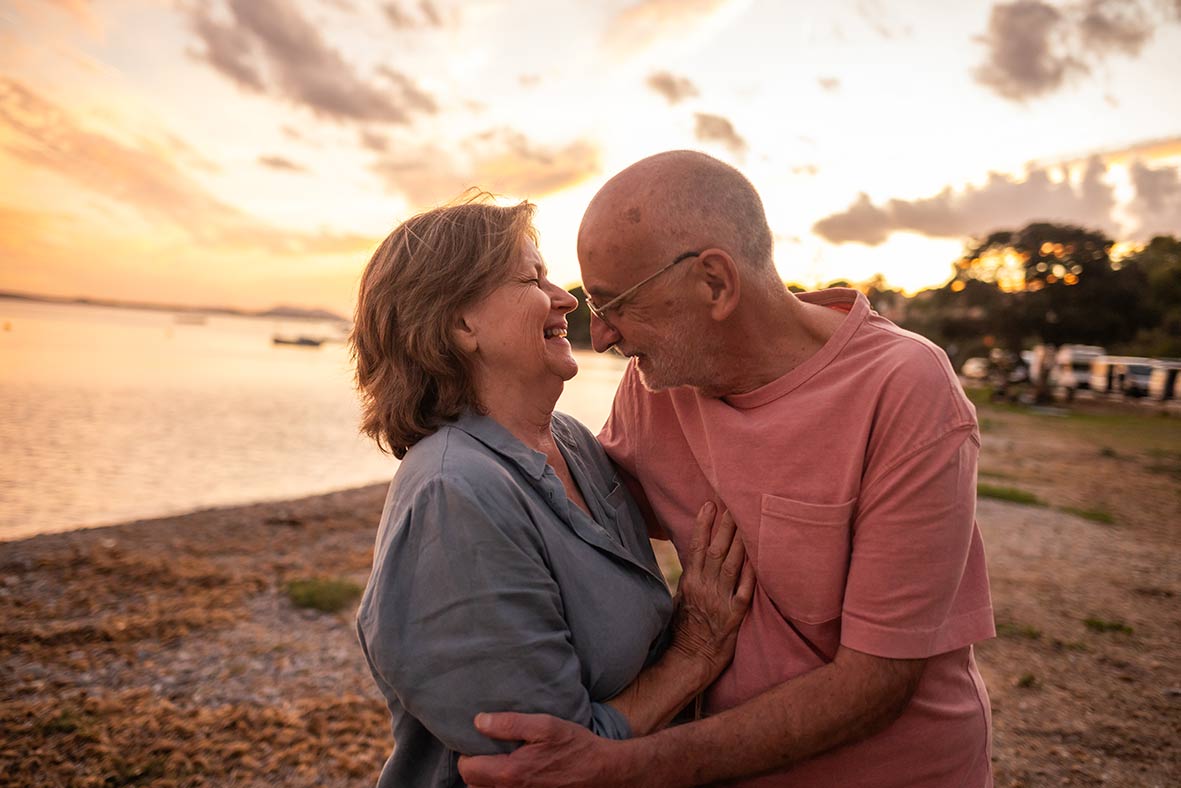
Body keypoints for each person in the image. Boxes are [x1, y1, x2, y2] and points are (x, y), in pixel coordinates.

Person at [458, 151, 996, 787]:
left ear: (714, 283)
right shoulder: (657, 382)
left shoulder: (904, 389)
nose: (599, 336)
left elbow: (874, 683)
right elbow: (575, 519)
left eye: (614, 304)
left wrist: (617, 766)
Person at [349, 194, 755, 788]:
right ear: (462, 325)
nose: (568, 298)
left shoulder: (569, 442)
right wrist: (695, 652)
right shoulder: (453, 495)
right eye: (532, 279)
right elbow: (544, 761)